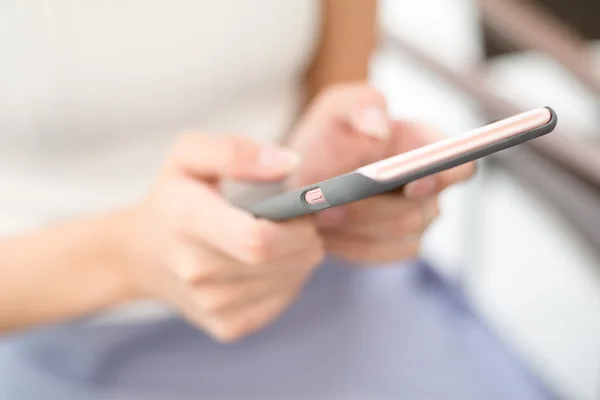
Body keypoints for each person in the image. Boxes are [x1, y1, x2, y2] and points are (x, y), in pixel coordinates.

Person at [0, 1, 475, 398]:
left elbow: (334, 92)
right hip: (59, 330)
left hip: (307, 277)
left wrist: (338, 162)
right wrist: (129, 255)